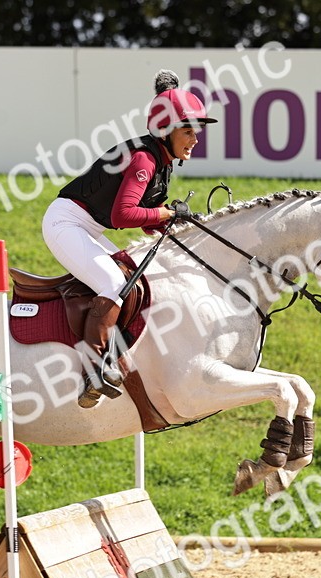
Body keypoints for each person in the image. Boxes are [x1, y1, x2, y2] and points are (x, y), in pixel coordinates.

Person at [43, 70, 216, 408]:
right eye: (188, 130)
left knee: (130, 273)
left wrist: (178, 222)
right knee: (112, 280)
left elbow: (145, 220)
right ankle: (93, 369)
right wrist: (166, 215)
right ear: (165, 130)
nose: (195, 138)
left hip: (88, 226)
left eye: (197, 130)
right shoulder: (144, 158)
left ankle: (117, 351)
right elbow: (125, 215)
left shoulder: (162, 160)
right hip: (65, 222)